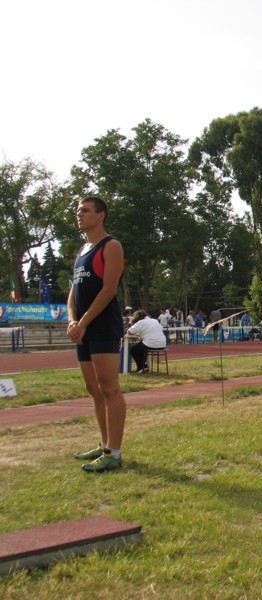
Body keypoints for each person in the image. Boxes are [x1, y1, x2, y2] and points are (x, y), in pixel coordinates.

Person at [68, 196, 127, 473]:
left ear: (100, 215)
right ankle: (103, 444)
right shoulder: (82, 250)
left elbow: (109, 289)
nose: (79, 214)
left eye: (85, 210)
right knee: (93, 389)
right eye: (78, 210)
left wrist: (84, 321)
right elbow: (73, 291)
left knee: (109, 388)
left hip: (102, 326)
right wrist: (72, 320)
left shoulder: (111, 246)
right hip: (83, 328)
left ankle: (113, 453)